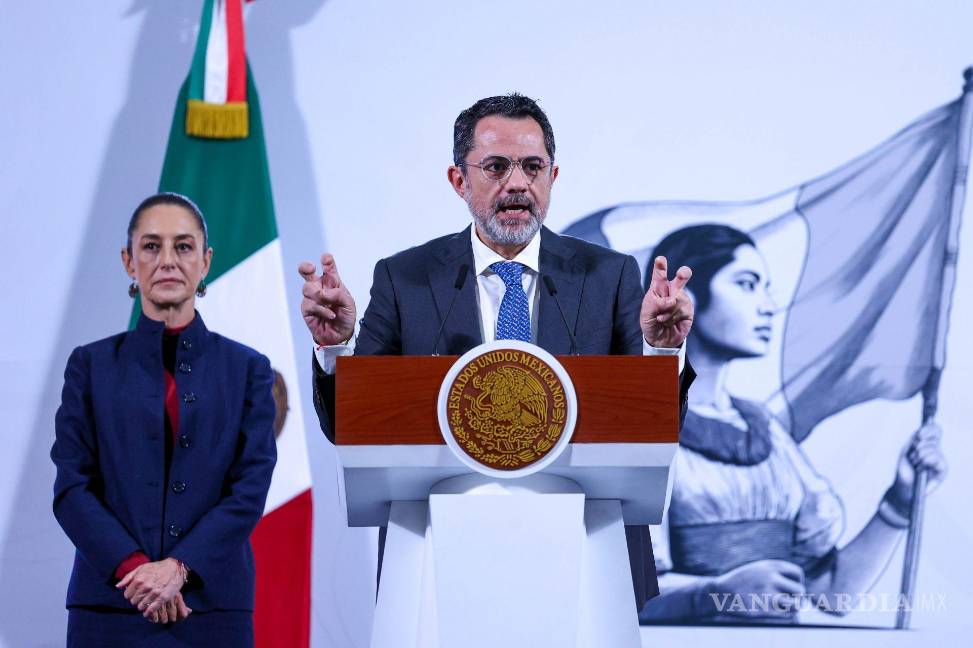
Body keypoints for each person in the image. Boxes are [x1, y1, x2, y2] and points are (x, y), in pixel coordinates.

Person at [298, 93, 696, 606]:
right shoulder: (406, 278)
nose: (517, 184)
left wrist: (662, 355)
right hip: (443, 553)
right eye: (495, 167)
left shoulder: (608, 275)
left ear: (553, 177)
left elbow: (653, 429)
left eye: (532, 167)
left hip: (585, 550)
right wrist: (336, 349)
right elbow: (351, 429)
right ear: (458, 181)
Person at [637, 224, 948, 623]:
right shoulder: (644, 425)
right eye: (747, 284)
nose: (768, 306)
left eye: (766, 288)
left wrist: (901, 499)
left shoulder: (764, 429)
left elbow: (832, 594)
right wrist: (714, 595)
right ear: (684, 297)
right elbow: (626, 592)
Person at [51, 193, 277, 646]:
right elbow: (72, 488)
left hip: (210, 609)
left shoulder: (248, 369)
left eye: (184, 246)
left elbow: (249, 489)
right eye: (152, 246)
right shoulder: (90, 365)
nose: (168, 260)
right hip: (110, 607)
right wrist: (136, 572)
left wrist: (179, 569)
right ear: (128, 261)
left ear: (206, 261)